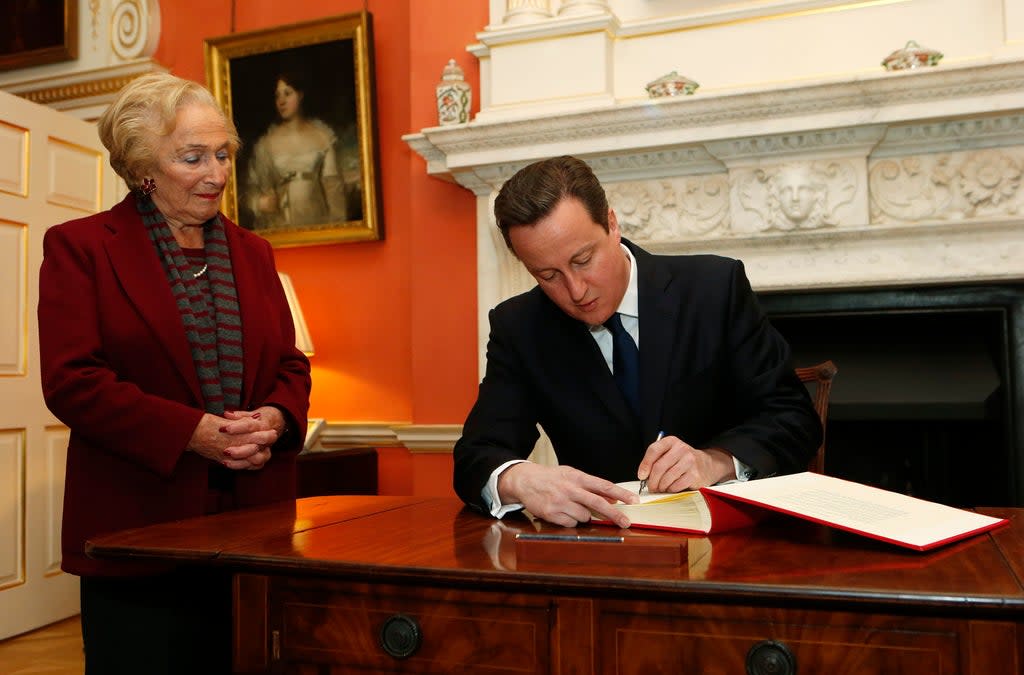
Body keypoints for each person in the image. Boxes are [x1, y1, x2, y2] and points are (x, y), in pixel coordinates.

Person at [37, 72, 312, 673]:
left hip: (253, 526)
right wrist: (193, 432)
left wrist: (274, 416)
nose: (216, 173)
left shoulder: (254, 251)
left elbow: (290, 363)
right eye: (193, 157)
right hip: (138, 529)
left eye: (222, 154)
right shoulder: (81, 247)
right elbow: (72, 380)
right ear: (144, 167)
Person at [453, 155, 822, 529]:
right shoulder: (521, 326)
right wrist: (519, 479)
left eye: (583, 260)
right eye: (548, 275)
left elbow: (793, 418)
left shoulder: (713, 289)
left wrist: (715, 461)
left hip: (728, 544)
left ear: (612, 224)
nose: (575, 291)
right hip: (602, 554)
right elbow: (476, 455)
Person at [245, 72, 351, 229]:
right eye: (277, 96)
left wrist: (338, 227)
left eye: (287, 94)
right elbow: (252, 189)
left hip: (316, 220)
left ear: (300, 95)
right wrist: (260, 203)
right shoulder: (266, 143)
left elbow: (333, 190)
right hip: (280, 224)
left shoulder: (322, 137)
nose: (281, 101)